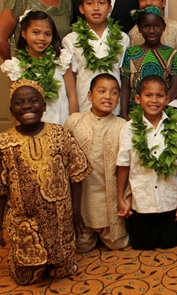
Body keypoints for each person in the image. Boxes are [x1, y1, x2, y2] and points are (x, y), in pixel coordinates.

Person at [0, 80, 91, 285]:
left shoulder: (60, 134)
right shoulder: (3, 142)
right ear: (11, 110)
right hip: (24, 223)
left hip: (59, 221)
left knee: (63, 271)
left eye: (33, 101)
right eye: (19, 102)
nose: (26, 106)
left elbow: (77, 175)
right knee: (26, 278)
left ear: (44, 106)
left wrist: (76, 212)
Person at [116, 75, 177, 250]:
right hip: (142, 201)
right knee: (144, 244)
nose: (154, 100)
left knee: (171, 242)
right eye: (148, 95)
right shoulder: (129, 129)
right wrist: (121, 197)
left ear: (167, 99)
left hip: (168, 200)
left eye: (159, 96)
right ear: (138, 98)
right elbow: (123, 165)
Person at [64, 73, 130, 252]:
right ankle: (87, 229)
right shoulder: (74, 121)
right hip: (82, 201)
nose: (108, 96)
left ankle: (107, 229)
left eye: (114, 93)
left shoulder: (122, 126)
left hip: (109, 202)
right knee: (80, 247)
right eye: (102, 91)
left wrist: (127, 198)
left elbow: (129, 166)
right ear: (89, 95)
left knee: (119, 244)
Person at [0, 10, 77, 125]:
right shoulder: (18, 67)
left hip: (62, 124)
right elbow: (18, 104)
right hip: (33, 127)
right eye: (36, 32)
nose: (42, 38)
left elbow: (72, 96)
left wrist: (73, 125)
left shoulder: (61, 60)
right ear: (24, 34)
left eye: (47, 34)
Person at [62, 0, 129, 115]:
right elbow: (71, 82)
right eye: (90, 3)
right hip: (84, 108)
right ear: (81, 9)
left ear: (109, 8)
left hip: (114, 110)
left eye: (101, 3)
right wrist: (74, 115)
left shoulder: (122, 38)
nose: (96, 8)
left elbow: (124, 77)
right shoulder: (71, 40)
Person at [128, 0, 177, 92]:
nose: (148, 3)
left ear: (163, 2)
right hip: (143, 93)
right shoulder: (133, 32)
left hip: (170, 91)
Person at [121, 6, 177, 119]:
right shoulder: (130, 54)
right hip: (134, 115)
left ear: (164, 27)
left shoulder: (173, 55)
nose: (151, 31)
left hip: (161, 114)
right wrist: (124, 114)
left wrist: (156, 109)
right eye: (146, 26)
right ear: (139, 29)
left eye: (156, 26)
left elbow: (174, 88)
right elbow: (125, 87)